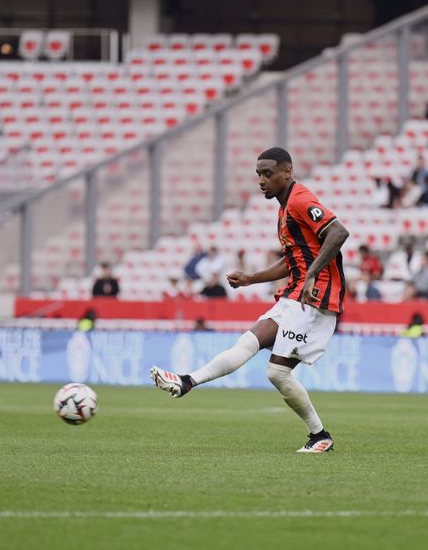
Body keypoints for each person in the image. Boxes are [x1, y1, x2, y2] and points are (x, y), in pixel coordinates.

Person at [150, 147, 350, 454]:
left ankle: (320, 436)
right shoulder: (284, 209)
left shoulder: (299, 200)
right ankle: (187, 381)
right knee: (247, 343)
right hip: (295, 293)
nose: (261, 181)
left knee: (277, 373)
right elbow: (293, 260)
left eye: (268, 174)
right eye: (258, 174)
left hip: (314, 297)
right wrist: (251, 278)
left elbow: (338, 232)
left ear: (287, 172)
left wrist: (312, 274)